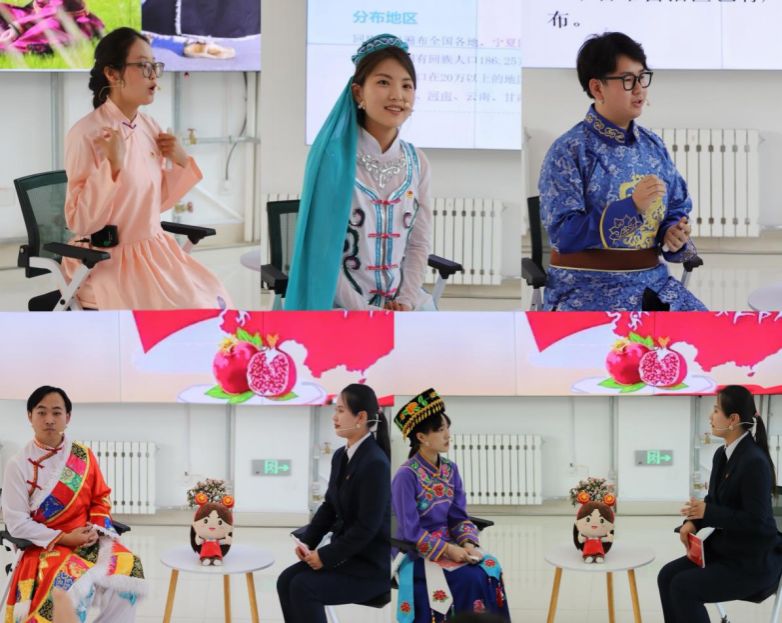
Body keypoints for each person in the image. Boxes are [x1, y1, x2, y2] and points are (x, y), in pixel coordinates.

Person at [63, 27, 232, 309]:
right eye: (143, 66)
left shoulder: (149, 126)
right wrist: (112, 167)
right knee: (182, 314)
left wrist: (180, 161)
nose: (154, 75)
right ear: (112, 73)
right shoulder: (86, 134)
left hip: (154, 250)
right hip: (108, 260)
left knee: (214, 300)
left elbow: (154, 203)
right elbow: (80, 223)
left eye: (155, 65)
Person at [538, 32, 706, 311]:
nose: (639, 89)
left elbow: (676, 206)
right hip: (586, 289)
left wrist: (672, 232)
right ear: (597, 88)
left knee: (709, 332)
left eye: (642, 78)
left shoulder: (653, 146)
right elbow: (563, 234)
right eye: (628, 80)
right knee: (625, 340)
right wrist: (631, 208)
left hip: (653, 284)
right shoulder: (569, 151)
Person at [285, 33, 432, 311]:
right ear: (358, 92)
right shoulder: (333, 159)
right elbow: (322, 254)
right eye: (383, 82)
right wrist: (366, 312)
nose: (397, 95)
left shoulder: (418, 162)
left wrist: (406, 301)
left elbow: (418, 243)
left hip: (401, 308)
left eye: (407, 85)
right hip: (341, 308)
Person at [2, 386, 145, 623]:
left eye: (57, 412)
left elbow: (100, 497)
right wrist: (65, 537)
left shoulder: (83, 455)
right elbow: (17, 523)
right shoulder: (17, 465)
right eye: (41, 412)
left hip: (87, 539)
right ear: (30, 416)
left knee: (131, 566)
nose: (49, 419)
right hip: (45, 544)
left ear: (67, 417)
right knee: (68, 579)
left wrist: (95, 530)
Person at [657, 385, 782, 622]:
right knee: (666, 576)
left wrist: (709, 511)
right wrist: (692, 523)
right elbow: (713, 502)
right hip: (727, 551)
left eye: (715, 410)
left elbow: (757, 522)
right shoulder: (721, 454)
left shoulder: (754, 462)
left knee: (683, 587)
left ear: (733, 419)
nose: (710, 416)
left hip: (752, 562)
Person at [392, 389, 510, 622]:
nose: (448, 435)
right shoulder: (406, 476)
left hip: (452, 545)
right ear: (421, 437)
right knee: (471, 578)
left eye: (447, 428)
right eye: (440, 430)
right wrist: (449, 550)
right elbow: (410, 531)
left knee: (490, 567)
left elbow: (458, 516)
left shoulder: (450, 469)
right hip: (418, 552)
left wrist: (468, 544)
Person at [276, 384, 391, 622]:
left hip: (369, 567)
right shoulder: (341, 456)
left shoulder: (375, 463)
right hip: (347, 557)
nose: (334, 417)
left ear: (361, 417)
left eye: (340, 410)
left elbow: (366, 527)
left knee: (303, 587)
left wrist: (326, 556)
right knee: (285, 580)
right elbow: (330, 506)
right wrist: (308, 542)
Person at [0, 0, 103, 54]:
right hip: (35, 15)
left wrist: (18, 27)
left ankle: (12, 47)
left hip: (64, 22)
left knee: (48, 27)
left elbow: (56, 9)